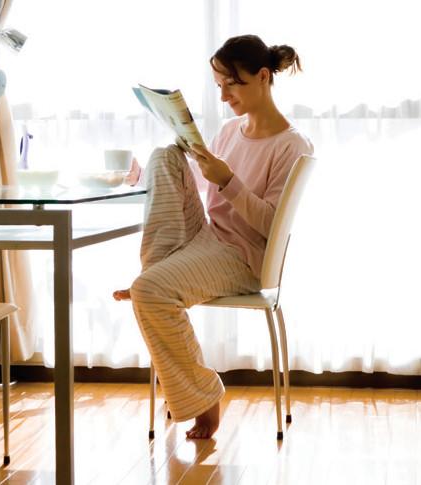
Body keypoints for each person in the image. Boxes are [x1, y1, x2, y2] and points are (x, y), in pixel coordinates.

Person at [113, 34, 314, 439]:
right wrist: (153, 177)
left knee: (150, 291)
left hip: (243, 257)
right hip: (209, 236)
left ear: (261, 77)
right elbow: (206, 199)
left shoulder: (291, 145)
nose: (224, 96)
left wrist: (228, 181)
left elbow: (270, 227)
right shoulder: (228, 131)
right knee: (164, 156)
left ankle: (204, 394)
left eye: (231, 84)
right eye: (219, 86)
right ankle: (156, 281)